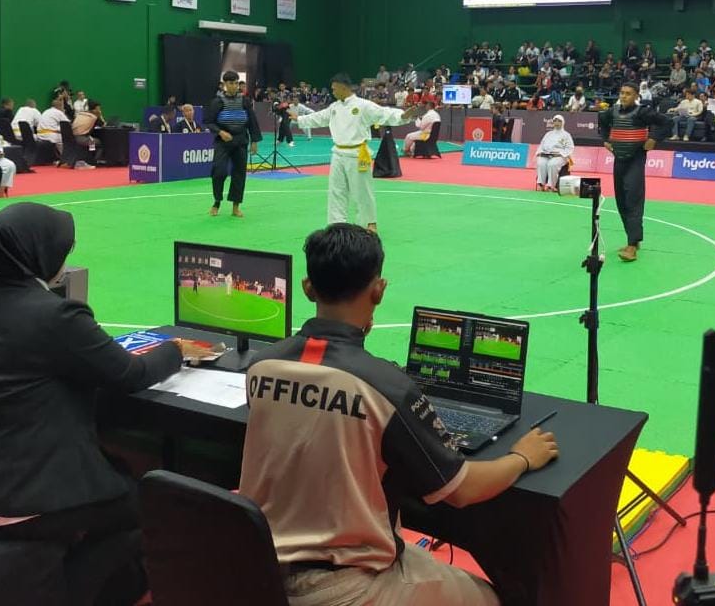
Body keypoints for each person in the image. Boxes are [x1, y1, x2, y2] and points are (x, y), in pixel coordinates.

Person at [239, 224, 558, 606]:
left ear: (308, 288)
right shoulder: (386, 387)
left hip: (260, 571)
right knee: (490, 598)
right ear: (379, 290)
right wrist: (522, 458)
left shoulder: (261, 366)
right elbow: (462, 490)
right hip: (348, 586)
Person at [0, 203, 217, 606]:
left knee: (117, 475)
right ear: (42, 254)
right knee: (142, 504)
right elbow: (130, 374)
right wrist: (176, 350)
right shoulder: (56, 315)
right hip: (25, 498)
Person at [290, 73, 420, 233]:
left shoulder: (363, 105)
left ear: (343, 87)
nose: (332, 92)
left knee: (362, 191)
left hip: (358, 154)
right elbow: (319, 118)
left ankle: (368, 224)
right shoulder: (334, 107)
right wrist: (299, 119)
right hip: (338, 153)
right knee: (336, 192)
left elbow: (383, 113)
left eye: (334, 89)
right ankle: (336, 226)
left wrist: (403, 115)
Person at [598, 83, 670, 262]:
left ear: (636, 96)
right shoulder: (612, 112)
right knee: (621, 201)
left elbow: (667, 122)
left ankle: (632, 246)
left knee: (633, 200)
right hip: (619, 160)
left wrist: (654, 139)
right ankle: (633, 240)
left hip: (636, 159)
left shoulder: (643, 112)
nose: (624, 96)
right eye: (622, 93)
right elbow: (602, 121)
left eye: (628, 94)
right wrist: (606, 139)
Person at [204, 70, 262, 218]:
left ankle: (236, 206)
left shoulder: (244, 101)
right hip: (223, 141)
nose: (235, 86)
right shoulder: (217, 102)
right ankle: (217, 202)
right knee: (219, 171)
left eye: (236, 83)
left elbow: (252, 121)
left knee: (239, 174)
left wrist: (254, 141)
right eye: (231, 83)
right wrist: (220, 132)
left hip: (241, 140)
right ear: (224, 84)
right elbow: (208, 122)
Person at [534, 114, 574, 192]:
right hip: (546, 155)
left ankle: (551, 186)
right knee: (540, 163)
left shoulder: (566, 135)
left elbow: (570, 148)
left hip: (560, 156)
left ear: (563, 123)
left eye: (559, 121)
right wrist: (540, 152)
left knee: (552, 164)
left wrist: (560, 154)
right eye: (555, 121)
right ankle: (541, 184)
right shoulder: (548, 134)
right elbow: (542, 145)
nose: (557, 123)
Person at [72, 99, 105, 168]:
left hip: (72, 137)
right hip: (82, 139)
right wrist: (100, 115)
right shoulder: (94, 117)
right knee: (100, 143)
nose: (99, 110)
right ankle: (93, 161)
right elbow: (103, 124)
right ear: (94, 109)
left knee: (92, 141)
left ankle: (89, 159)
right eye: (98, 109)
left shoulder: (80, 114)